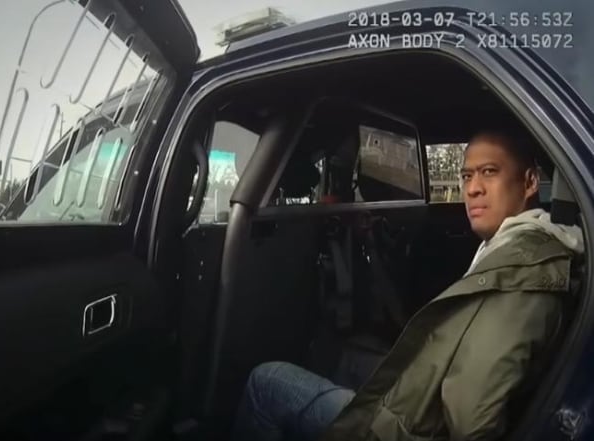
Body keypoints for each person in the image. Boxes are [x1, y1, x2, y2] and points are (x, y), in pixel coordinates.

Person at [231, 130, 585, 441]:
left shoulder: (524, 274)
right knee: (347, 352)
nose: (473, 188)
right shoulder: (516, 246)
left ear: (529, 182)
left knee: (266, 381)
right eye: (466, 176)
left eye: (489, 172)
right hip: (426, 397)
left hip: (410, 429)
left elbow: (472, 419)